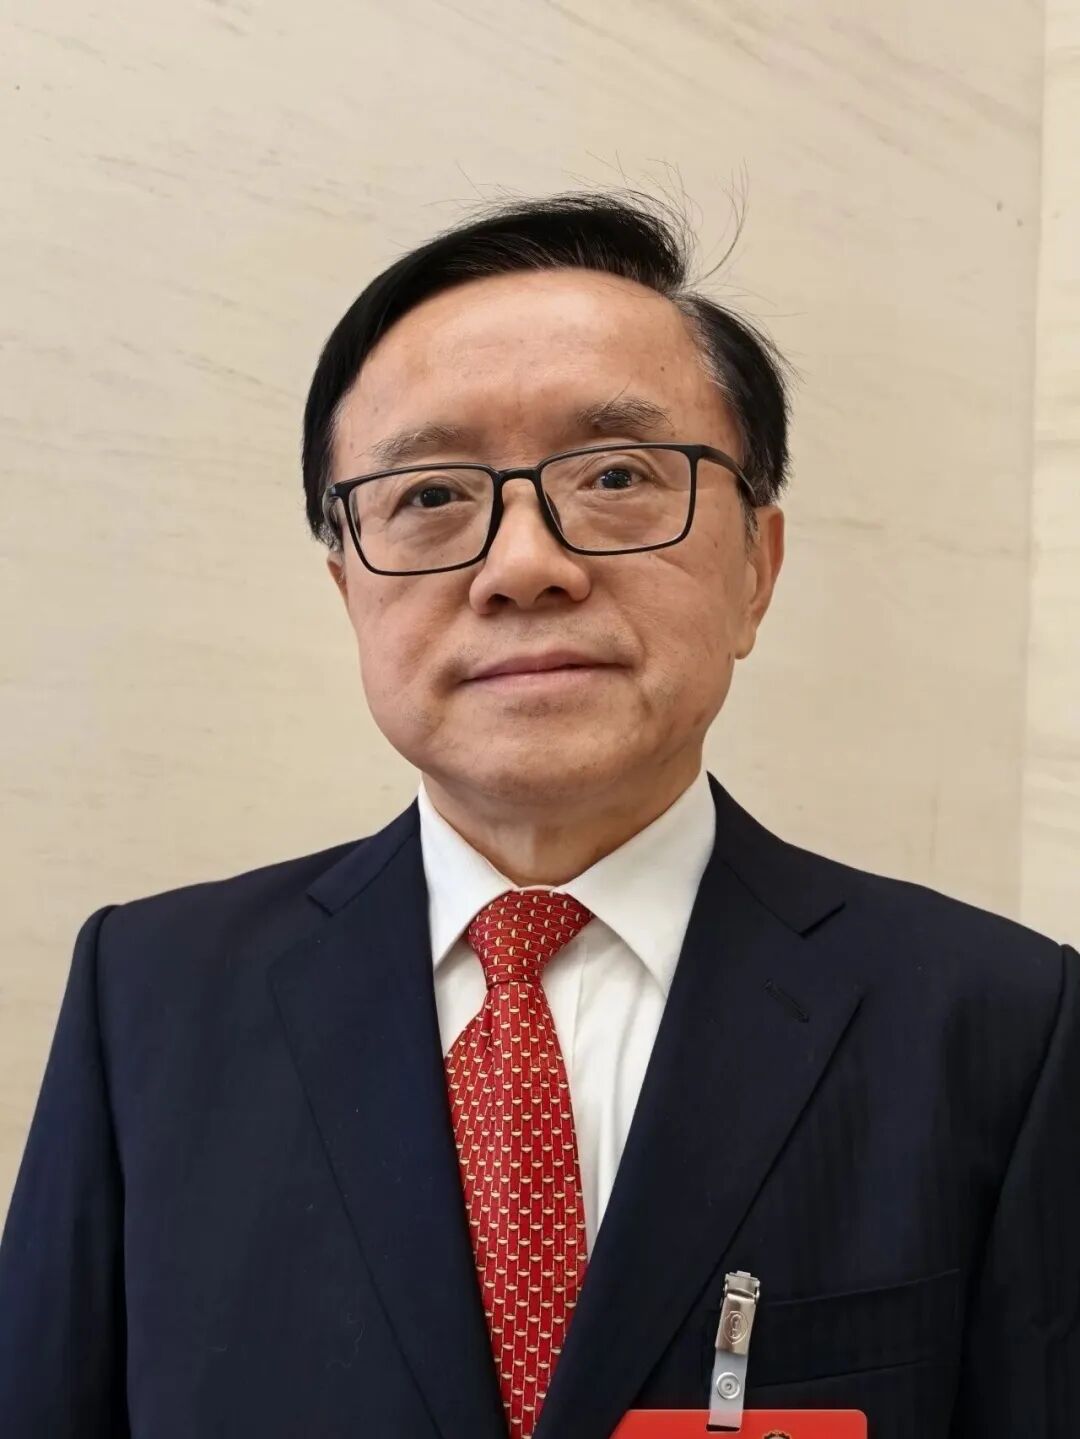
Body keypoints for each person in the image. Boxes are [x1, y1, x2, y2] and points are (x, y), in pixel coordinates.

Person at [0, 192, 1076, 1439]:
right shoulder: (147, 996)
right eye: (430, 495)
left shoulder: (1003, 1025)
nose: (523, 565)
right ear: (348, 587)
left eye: (616, 475)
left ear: (756, 568)